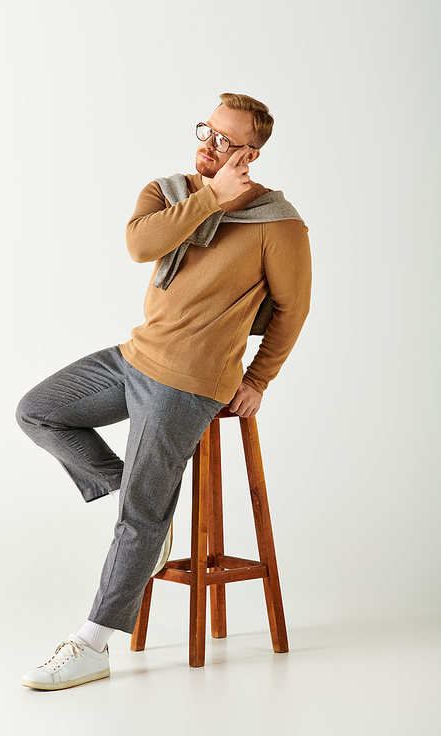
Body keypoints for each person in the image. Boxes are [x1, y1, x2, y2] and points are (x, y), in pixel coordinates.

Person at [16, 92, 312, 690]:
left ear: (250, 155)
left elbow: (293, 309)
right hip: (136, 359)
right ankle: (136, 495)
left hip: (190, 384)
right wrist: (210, 196)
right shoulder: (169, 193)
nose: (208, 145)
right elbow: (139, 246)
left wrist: (256, 381)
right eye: (207, 131)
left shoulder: (278, 224)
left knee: (137, 520)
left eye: (226, 141)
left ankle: (93, 644)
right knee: (38, 411)